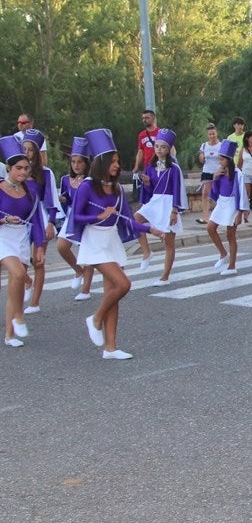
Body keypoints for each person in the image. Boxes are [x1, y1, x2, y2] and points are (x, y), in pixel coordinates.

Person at [68, 128, 165, 359]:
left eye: (118, 161)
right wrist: (97, 217)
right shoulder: (87, 186)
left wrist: (150, 229)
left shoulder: (117, 189)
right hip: (94, 241)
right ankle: (95, 318)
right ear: (101, 162)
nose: (116, 165)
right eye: (112, 161)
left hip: (111, 240)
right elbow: (77, 217)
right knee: (123, 285)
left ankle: (110, 348)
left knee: (113, 292)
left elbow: (128, 220)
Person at [0, 135, 47, 348]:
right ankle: (19, 316)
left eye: (26, 168)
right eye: (18, 168)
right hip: (3, 235)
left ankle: (9, 335)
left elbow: (36, 220)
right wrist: (3, 219)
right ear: (9, 168)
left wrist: (39, 246)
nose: (23, 172)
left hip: (21, 238)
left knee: (15, 287)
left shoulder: (30, 191)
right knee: (19, 274)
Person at [133, 129, 185, 286]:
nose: (159, 150)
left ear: (168, 149)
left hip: (169, 204)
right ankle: (146, 252)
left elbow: (177, 189)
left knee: (169, 243)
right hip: (155, 201)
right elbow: (150, 190)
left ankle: (165, 276)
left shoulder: (174, 168)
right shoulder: (150, 166)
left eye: (163, 147)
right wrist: (147, 183)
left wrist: (174, 210)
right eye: (157, 146)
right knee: (135, 219)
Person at [17, 130, 56, 313]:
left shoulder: (46, 173)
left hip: (40, 217)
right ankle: (27, 281)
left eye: (30, 149)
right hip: (22, 217)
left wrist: (51, 223)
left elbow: (52, 199)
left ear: (36, 152)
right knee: (16, 259)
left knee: (38, 261)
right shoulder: (17, 172)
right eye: (23, 149)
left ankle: (35, 303)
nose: (26, 152)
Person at [56, 137, 96, 301]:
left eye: (80, 162)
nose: (76, 165)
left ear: (87, 163)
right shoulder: (66, 180)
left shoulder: (91, 181)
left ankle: (86, 290)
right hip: (72, 216)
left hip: (85, 217)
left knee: (86, 253)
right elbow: (68, 198)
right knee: (61, 246)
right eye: (73, 162)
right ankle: (78, 270)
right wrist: (63, 200)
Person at [206, 140, 250, 276]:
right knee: (210, 228)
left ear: (229, 160)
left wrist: (240, 213)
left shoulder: (238, 174)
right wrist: (215, 178)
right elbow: (215, 192)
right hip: (222, 203)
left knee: (231, 235)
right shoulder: (220, 172)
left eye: (221, 159)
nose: (219, 162)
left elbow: (242, 194)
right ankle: (222, 252)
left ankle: (232, 266)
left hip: (233, 205)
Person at [197, 124, 222, 224]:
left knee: (219, 194)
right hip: (207, 171)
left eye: (213, 133)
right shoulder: (204, 145)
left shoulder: (221, 145)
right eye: (210, 134)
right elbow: (201, 160)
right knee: (205, 194)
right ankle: (205, 217)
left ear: (216, 133)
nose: (212, 136)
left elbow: (224, 159)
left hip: (218, 171)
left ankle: (219, 216)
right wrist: (201, 157)